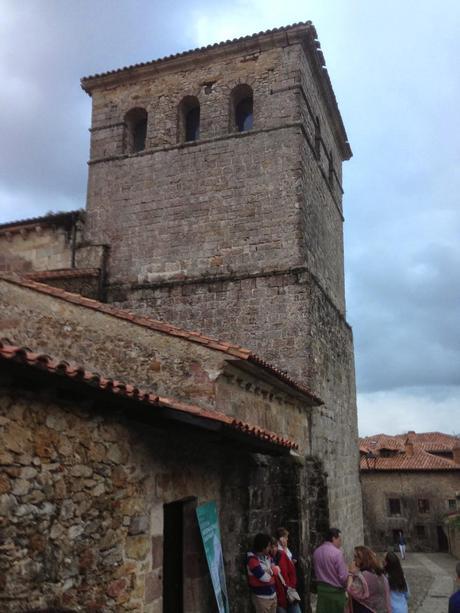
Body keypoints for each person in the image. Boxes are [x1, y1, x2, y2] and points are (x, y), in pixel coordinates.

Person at [312, 527, 348, 613]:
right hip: (336, 593)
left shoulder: (316, 552)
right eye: (339, 540)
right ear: (333, 538)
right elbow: (343, 577)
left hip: (322, 592)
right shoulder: (337, 553)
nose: (340, 542)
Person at [347, 546, 391, 613]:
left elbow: (350, 590)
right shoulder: (380, 575)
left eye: (356, 557)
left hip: (367, 609)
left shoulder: (363, 576)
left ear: (362, 559)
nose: (354, 560)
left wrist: (350, 573)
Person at [270, 529, 301, 613]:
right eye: (271, 547)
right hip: (279, 598)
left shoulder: (282, 555)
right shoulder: (268, 560)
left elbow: (292, 572)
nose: (274, 549)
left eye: (275, 546)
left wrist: (291, 586)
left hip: (289, 592)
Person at [247, 533, 279, 613]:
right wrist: (272, 572)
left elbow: (277, 569)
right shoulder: (252, 560)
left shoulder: (267, 556)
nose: (270, 548)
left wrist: (270, 571)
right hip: (262, 598)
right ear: (262, 547)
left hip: (273, 595)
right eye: (268, 546)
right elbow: (264, 578)